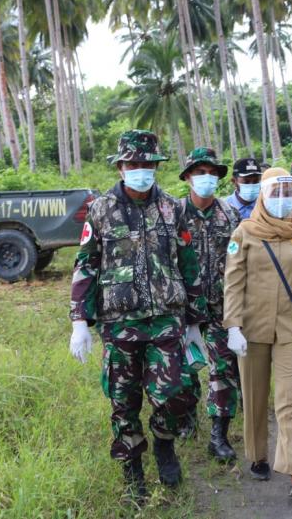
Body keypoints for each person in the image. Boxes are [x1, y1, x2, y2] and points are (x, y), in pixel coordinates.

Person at [68, 130, 204, 503]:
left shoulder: (174, 208)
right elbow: (86, 265)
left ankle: (163, 442)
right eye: (133, 164)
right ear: (121, 166)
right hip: (120, 323)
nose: (140, 170)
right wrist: (80, 321)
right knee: (124, 403)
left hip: (166, 321)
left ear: (156, 167)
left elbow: (188, 264)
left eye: (147, 164)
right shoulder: (100, 209)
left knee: (175, 393)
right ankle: (133, 475)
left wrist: (195, 322)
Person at [223, 167, 292, 499]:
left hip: (290, 328)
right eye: (275, 193)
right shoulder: (245, 232)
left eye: (286, 194)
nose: (281, 200)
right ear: (264, 195)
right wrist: (233, 326)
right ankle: (258, 456)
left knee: (289, 400)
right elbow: (233, 284)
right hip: (252, 328)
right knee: (254, 397)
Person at [178, 147, 241, 462]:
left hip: (220, 305)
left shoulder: (229, 214)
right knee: (186, 367)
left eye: (212, 172)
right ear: (188, 177)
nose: (207, 178)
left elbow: (238, 261)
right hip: (184, 308)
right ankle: (188, 418)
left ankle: (219, 435)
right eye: (200, 172)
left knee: (224, 367)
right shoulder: (174, 214)